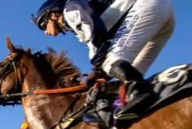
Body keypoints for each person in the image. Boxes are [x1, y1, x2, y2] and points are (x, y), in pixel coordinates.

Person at [32, 0, 175, 120]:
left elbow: (96, 33)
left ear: (53, 15)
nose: (46, 32)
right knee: (132, 71)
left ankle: (142, 93)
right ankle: (145, 98)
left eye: (44, 26)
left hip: (148, 7)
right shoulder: (75, 22)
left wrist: (97, 71)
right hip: (163, 15)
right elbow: (99, 47)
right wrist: (99, 74)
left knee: (111, 61)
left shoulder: (70, 10)